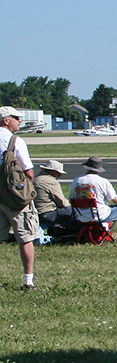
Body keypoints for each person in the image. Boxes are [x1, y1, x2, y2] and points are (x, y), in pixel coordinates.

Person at [0, 106, 39, 290]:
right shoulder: (15, 141)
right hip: (15, 199)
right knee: (25, 237)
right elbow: (28, 172)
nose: (19, 121)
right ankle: (28, 280)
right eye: (16, 118)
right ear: (6, 120)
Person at [71, 156, 117, 241]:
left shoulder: (76, 180)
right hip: (99, 215)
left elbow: (72, 197)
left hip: (81, 215)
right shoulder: (103, 181)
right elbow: (115, 200)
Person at [32, 158, 72, 236]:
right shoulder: (50, 181)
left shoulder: (36, 179)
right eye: (58, 173)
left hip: (35, 213)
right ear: (52, 172)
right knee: (75, 212)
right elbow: (62, 202)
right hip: (47, 213)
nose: (60, 175)